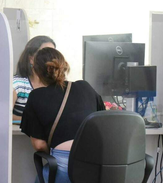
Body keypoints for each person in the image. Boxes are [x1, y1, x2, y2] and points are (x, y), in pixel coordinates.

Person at [20, 48, 105, 183]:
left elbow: (39, 145)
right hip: (95, 165)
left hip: (63, 166)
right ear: (64, 66)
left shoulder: (36, 96)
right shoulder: (85, 87)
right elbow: (102, 122)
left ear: (36, 71)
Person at [13, 36, 56, 120]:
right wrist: (35, 122)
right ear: (31, 59)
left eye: (53, 53)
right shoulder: (16, 84)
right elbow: (5, 116)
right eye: (44, 53)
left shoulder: (57, 85)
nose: (51, 57)